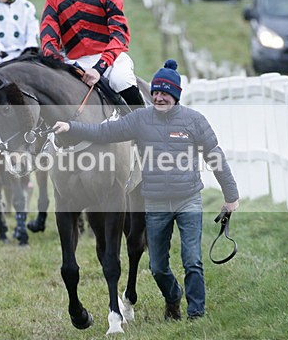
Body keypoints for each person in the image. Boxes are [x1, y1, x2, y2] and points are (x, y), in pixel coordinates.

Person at [53, 59, 239, 320]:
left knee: (192, 260)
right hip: (156, 203)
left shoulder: (194, 120)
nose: (160, 98)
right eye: (156, 93)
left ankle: (196, 313)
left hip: (188, 200)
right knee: (158, 266)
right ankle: (173, 295)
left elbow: (214, 155)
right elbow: (103, 132)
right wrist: (72, 127)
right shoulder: (140, 119)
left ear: (175, 95)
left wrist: (231, 196)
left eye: (165, 93)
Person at [40, 0, 143, 107]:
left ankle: (147, 127)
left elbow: (120, 33)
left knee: (120, 80)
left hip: (111, 59)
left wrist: (99, 68)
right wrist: (58, 63)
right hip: (75, 63)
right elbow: (47, 40)